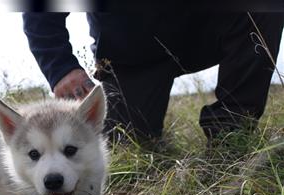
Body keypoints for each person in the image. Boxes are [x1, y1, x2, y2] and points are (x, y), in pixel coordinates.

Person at [22, 12, 284, 147]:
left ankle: (231, 135)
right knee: (126, 143)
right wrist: (61, 67)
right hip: (132, 54)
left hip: (203, 30)